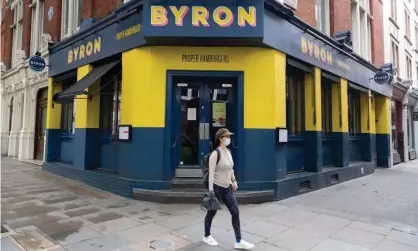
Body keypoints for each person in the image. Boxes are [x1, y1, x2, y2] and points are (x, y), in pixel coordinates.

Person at [202, 128, 255, 250]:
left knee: (235, 212)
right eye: (226, 136)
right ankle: (206, 235)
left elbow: (230, 169)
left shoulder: (229, 152)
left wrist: (234, 181)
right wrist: (211, 192)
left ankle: (238, 240)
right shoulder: (216, 154)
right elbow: (211, 173)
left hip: (227, 188)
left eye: (229, 136)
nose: (229, 139)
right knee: (211, 212)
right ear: (220, 138)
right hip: (217, 188)